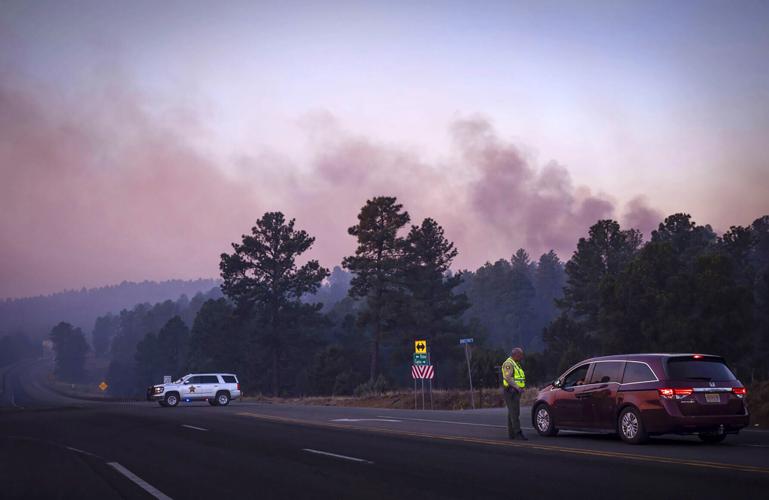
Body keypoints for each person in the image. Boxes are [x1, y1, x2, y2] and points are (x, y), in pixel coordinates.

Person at [501, 347, 527, 440]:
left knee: (511, 413)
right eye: (520, 355)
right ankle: (518, 433)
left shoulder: (516, 364)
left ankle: (511, 434)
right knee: (515, 412)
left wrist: (521, 387)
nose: (522, 357)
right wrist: (517, 387)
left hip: (515, 391)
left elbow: (518, 377)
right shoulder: (508, 363)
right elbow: (508, 378)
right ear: (515, 354)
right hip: (510, 391)